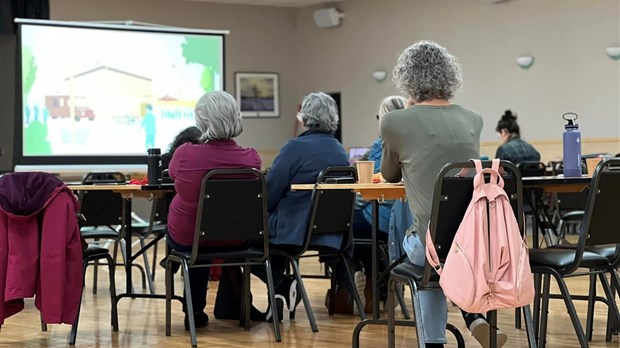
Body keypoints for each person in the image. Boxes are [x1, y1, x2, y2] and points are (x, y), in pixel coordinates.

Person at [381, 40, 507, 348]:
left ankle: (434, 342)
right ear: (449, 76)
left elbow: (389, 175)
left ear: (407, 78)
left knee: (422, 243)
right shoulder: (473, 119)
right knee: (441, 245)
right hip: (475, 242)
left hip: (430, 248)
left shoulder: (394, 121)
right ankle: (473, 317)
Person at [166, 91, 262, 329]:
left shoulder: (185, 154)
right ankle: (231, 305)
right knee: (209, 233)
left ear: (203, 121)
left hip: (187, 237)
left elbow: (172, 175)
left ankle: (194, 309)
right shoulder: (252, 159)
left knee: (197, 240)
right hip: (236, 238)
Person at [253, 92, 351, 321]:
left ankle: (281, 285)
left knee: (246, 237)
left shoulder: (295, 148)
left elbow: (269, 193)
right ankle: (278, 294)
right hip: (328, 230)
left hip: (294, 230)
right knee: (269, 235)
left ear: (305, 118)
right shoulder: (339, 150)